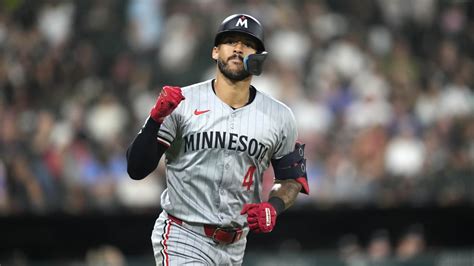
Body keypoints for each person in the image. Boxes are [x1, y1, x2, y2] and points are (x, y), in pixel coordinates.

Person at [126, 13, 309, 265]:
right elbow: (136, 169)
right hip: (184, 234)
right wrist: (154, 120)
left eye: (247, 43)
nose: (237, 48)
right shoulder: (182, 102)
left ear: (258, 57)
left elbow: (290, 179)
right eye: (230, 41)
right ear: (215, 52)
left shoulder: (280, 116)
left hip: (235, 246)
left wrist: (273, 207)